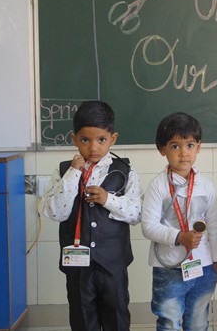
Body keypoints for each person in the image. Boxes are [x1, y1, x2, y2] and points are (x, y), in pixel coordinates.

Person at [42, 100, 142, 331]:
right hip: (78, 267)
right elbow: (56, 212)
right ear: (74, 139)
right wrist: (73, 174)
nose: (93, 148)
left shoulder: (124, 170)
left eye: (101, 140)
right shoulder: (64, 170)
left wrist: (108, 200)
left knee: (117, 319)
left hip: (113, 265)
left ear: (113, 138)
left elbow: (137, 213)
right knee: (82, 320)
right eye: (85, 140)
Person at [141, 112, 217, 331]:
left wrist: (216, 259)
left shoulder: (206, 185)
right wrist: (179, 237)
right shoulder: (158, 185)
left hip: (203, 265)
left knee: (198, 321)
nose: (183, 153)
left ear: (198, 147)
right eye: (175, 146)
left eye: (189, 145)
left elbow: (214, 225)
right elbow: (148, 226)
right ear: (162, 150)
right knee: (169, 322)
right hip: (169, 267)